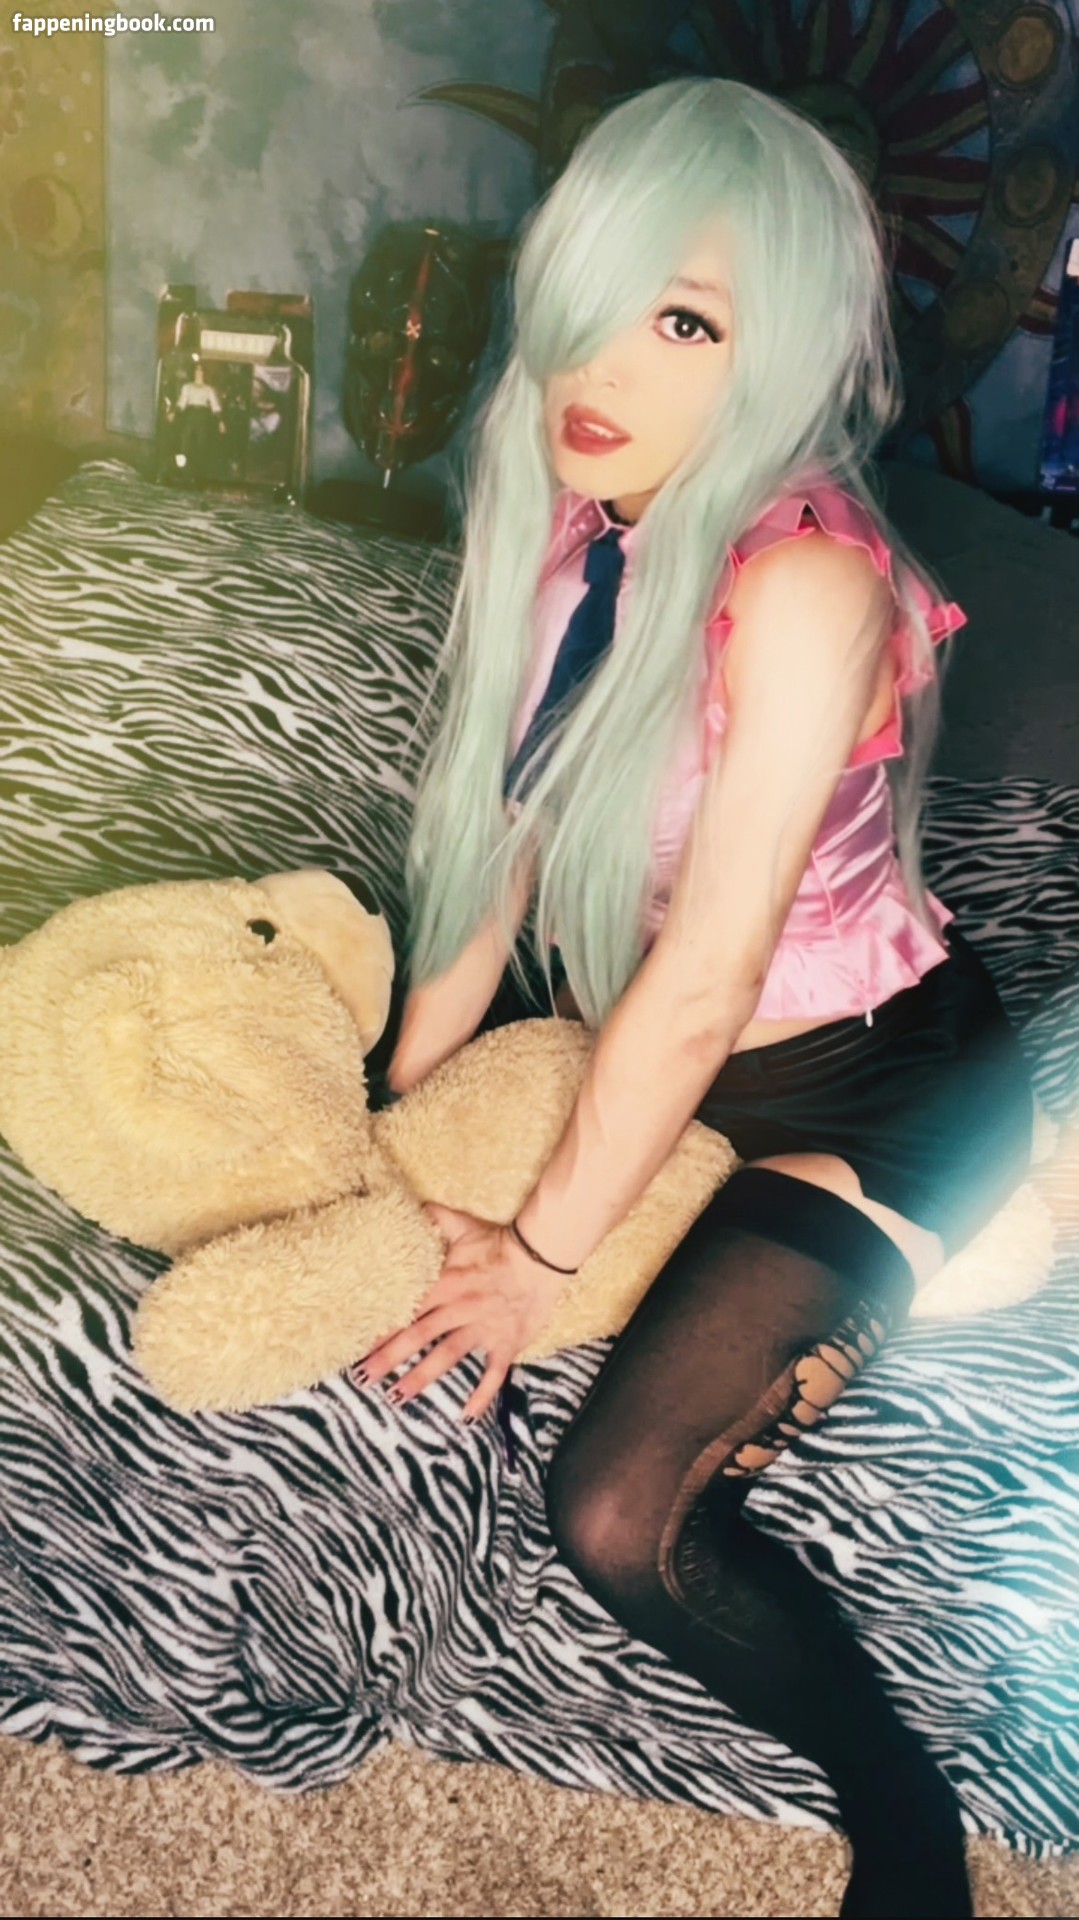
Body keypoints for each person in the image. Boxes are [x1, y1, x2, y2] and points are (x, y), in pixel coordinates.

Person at [350, 78, 1033, 1920]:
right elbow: (492, 861)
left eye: (687, 321)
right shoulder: (575, 516)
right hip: (684, 1052)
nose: (602, 365)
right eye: (598, 295)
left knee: (621, 1514)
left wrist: (540, 1256)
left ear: (783, 342)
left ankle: (908, 1833)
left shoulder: (804, 579)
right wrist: (387, 1113)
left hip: (876, 1091)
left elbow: (713, 977)